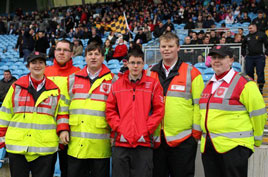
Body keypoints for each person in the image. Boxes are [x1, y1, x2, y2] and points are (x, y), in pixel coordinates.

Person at [199, 45, 266, 177]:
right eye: (214, 57)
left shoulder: (245, 84)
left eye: (221, 57)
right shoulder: (209, 84)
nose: (216, 60)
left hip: (234, 148)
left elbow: (258, 114)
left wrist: (257, 140)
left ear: (231, 60)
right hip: (210, 146)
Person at [0, 51, 67, 177]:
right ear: (28, 66)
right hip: (18, 146)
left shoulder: (55, 90)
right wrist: (1, 137)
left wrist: (62, 132)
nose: (37, 65)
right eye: (34, 62)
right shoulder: (16, 87)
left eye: (41, 62)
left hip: (45, 148)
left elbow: (61, 115)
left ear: (45, 66)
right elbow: (5, 113)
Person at [146, 32, 204, 177]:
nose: (166, 49)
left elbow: (199, 105)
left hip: (183, 140)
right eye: (163, 46)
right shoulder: (149, 73)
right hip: (157, 139)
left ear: (178, 48)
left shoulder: (193, 73)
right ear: (159, 48)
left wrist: (195, 134)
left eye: (170, 46)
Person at [59, 42, 117, 177]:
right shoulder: (72, 80)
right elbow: (63, 107)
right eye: (90, 54)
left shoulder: (113, 80)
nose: (93, 57)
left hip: (100, 146)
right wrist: (63, 129)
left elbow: (117, 111)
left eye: (97, 54)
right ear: (85, 57)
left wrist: (115, 134)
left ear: (103, 57)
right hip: (76, 145)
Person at [106, 49, 165, 177]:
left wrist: (146, 129)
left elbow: (159, 110)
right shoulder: (117, 85)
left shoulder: (153, 84)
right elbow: (110, 110)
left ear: (143, 64)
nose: (135, 66)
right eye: (132, 62)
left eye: (139, 63)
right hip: (121, 142)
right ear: (126, 64)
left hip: (143, 142)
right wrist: (119, 127)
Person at [44, 39, 80, 177]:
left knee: (69, 171)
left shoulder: (79, 73)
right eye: (59, 49)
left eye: (65, 50)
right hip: (47, 129)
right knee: (45, 171)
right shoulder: (45, 72)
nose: (61, 53)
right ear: (54, 52)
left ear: (71, 53)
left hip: (71, 130)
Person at [242, 23, 268, 94]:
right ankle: (252, 87)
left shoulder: (262, 35)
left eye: (251, 28)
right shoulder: (246, 37)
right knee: (249, 72)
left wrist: (266, 54)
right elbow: (243, 46)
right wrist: (244, 55)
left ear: (255, 27)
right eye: (248, 28)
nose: (249, 30)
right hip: (249, 57)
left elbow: (267, 44)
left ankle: (260, 88)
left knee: (260, 72)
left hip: (259, 57)